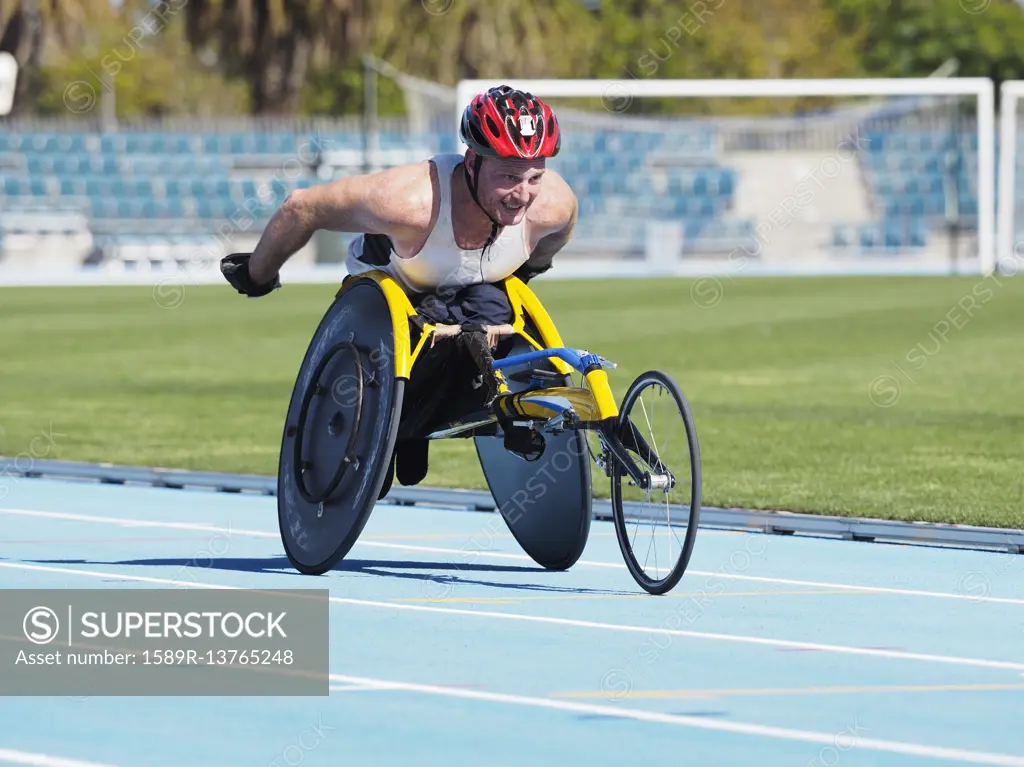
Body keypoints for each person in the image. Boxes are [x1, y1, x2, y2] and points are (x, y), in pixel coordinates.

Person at [221, 84, 578, 484]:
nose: (523, 194)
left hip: (474, 296)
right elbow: (302, 207)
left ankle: (421, 419)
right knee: (431, 321)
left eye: (534, 177)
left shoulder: (552, 206)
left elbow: (552, 240)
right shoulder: (409, 203)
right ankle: (401, 419)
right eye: (509, 176)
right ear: (473, 161)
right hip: (395, 297)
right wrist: (257, 274)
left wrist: (528, 270)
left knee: (496, 316)